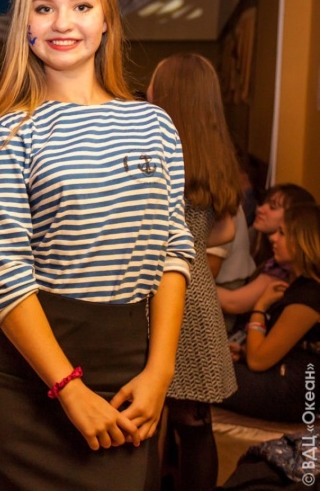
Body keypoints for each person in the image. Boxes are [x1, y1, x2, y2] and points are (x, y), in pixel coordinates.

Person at [0, 0, 195, 490]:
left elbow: (174, 249)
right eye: (44, 8)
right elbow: (1, 273)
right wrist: (67, 387)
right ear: (25, 25)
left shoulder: (154, 125)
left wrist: (160, 371)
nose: (63, 23)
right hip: (24, 376)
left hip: (127, 368)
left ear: (106, 18)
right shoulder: (10, 130)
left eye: (82, 5)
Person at [147, 53, 241, 490]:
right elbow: (226, 228)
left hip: (153, 288)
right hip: (197, 291)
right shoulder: (216, 155)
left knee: (144, 422)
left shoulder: (155, 149)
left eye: (154, 83)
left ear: (168, 95)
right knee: (195, 426)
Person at [222, 203, 320, 422]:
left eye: (282, 233)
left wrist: (260, 307)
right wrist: (245, 352)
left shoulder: (310, 295)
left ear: (302, 240)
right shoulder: (298, 285)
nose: (273, 238)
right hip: (281, 377)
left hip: (293, 392)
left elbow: (258, 361)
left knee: (195, 374)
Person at [218, 184, 316, 316]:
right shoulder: (255, 236)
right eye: (264, 203)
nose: (260, 209)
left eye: (273, 207)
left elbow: (233, 303)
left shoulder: (285, 268)